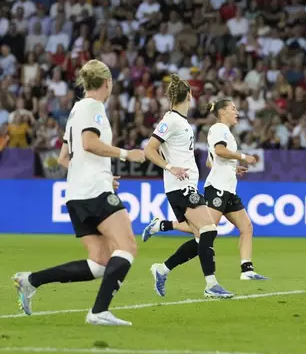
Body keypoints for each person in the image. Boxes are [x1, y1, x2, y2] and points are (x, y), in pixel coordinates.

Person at [12, 60, 146, 326]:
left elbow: (64, 157)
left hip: (77, 193)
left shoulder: (75, 111)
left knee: (100, 262)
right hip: (93, 191)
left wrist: (103, 174)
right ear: (107, 83)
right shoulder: (94, 107)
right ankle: (98, 312)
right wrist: (125, 153)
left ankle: (30, 281)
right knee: (128, 246)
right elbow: (89, 143)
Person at [143, 98, 267, 290]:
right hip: (217, 188)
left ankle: (247, 270)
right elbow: (219, 151)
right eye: (233, 109)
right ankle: (163, 231)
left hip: (228, 188)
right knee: (204, 232)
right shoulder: (219, 129)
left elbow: (211, 161)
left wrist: (233, 168)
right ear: (223, 111)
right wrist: (243, 156)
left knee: (246, 227)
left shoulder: (224, 132)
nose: (237, 112)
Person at [143, 74, 233, 299]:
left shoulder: (181, 122)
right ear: (189, 96)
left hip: (188, 185)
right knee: (209, 230)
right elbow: (149, 149)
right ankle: (211, 285)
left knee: (201, 238)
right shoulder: (171, 120)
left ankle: (161, 269)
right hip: (180, 187)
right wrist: (170, 167)